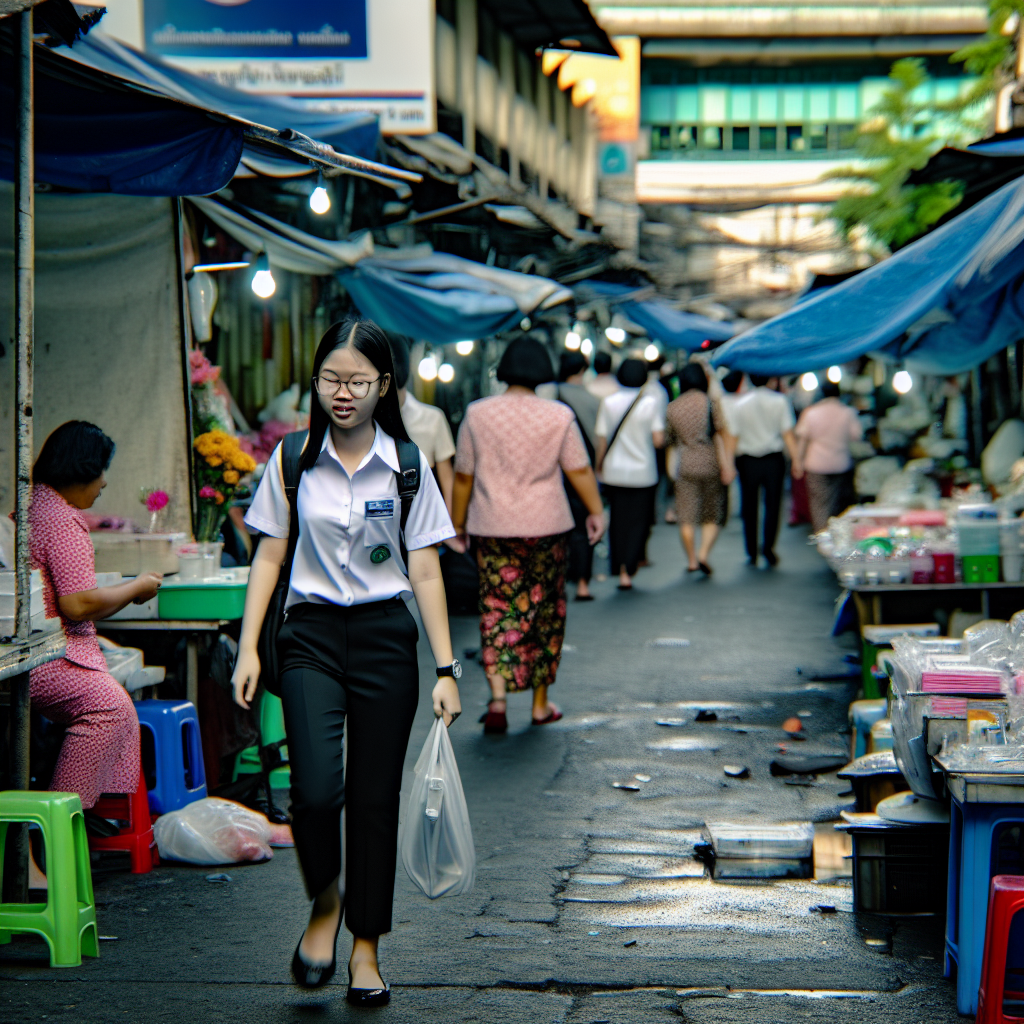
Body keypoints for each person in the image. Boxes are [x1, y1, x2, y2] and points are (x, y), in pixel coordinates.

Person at [233, 317, 460, 1006]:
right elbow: (269, 552)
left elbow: (424, 570)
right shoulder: (293, 458)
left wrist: (447, 669)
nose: (343, 392)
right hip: (310, 639)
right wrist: (248, 646)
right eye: (332, 378)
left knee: (371, 800)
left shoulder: (410, 465)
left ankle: (365, 947)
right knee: (315, 793)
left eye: (358, 381)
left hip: (387, 640)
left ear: (384, 385)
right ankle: (324, 904)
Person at [452, 337, 604, 734]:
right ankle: (539, 705)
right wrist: (595, 511)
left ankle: (498, 699)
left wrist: (457, 523)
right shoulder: (558, 415)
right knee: (545, 611)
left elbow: (464, 473)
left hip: (493, 527)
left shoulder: (477, 414)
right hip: (547, 527)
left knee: (496, 608)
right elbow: (579, 470)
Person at [27, 421, 162, 854]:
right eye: (102, 470)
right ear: (83, 468)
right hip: (43, 656)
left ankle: (61, 823)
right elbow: (78, 604)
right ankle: (52, 830)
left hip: (38, 645)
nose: (104, 482)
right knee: (108, 705)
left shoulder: (32, 506)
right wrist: (137, 587)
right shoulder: (62, 519)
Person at [595, 358, 666, 590]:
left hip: (615, 470)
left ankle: (619, 568)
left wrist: (599, 466)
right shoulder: (650, 403)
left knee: (618, 520)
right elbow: (658, 440)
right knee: (639, 521)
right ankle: (630, 567)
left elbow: (602, 440)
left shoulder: (609, 402)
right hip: (643, 471)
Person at [724, 373, 803, 567]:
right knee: (773, 504)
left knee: (749, 505)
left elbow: (732, 436)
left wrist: (728, 464)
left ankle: (751, 550)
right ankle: (768, 547)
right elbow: (787, 434)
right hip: (773, 459)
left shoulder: (740, 403)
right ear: (771, 379)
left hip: (747, 460)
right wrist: (796, 460)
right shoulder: (780, 401)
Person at [665, 363, 731, 576]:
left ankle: (692, 560)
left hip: (686, 463)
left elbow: (669, 441)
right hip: (710, 461)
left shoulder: (673, 407)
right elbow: (722, 433)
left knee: (686, 516)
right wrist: (728, 464)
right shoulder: (711, 403)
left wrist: (669, 470)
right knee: (712, 513)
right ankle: (703, 554)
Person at [388, 333, 457, 513]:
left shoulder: (433, 419)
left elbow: (447, 480)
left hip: (423, 524)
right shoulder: (362, 421)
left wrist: (450, 528)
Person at [556, 351, 601, 600]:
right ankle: (583, 584)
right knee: (584, 527)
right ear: (583, 370)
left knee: (557, 529)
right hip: (582, 471)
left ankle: (560, 582)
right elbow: (597, 440)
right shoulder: (593, 400)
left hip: (553, 473)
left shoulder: (549, 396)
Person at [795, 380, 863, 532]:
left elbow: (802, 440)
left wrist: (797, 462)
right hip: (841, 463)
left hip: (816, 464)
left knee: (819, 503)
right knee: (837, 502)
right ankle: (836, 535)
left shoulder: (811, 412)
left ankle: (821, 534)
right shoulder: (848, 412)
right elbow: (857, 436)